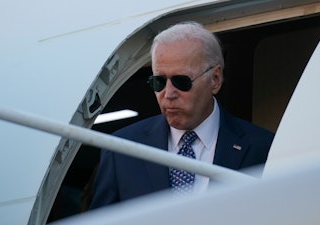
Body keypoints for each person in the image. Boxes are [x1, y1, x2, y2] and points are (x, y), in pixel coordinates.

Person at [89, 21, 274, 209]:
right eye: (159, 82)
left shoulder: (263, 148)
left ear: (215, 79)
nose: (168, 94)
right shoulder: (121, 150)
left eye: (181, 81)